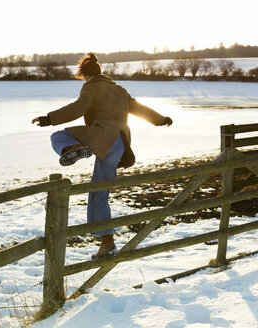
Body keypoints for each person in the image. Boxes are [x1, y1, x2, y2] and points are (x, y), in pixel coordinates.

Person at [32, 52, 172, 259]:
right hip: (120, 143)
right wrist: (161, 119)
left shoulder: (90, 88)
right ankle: (107, 244)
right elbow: (140, 109)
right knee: (99, 191)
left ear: (86, 76)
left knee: (58, 136)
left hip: (100, 137)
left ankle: (73, 149)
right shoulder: (120, 90)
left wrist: (49, 118)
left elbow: (77, 108)